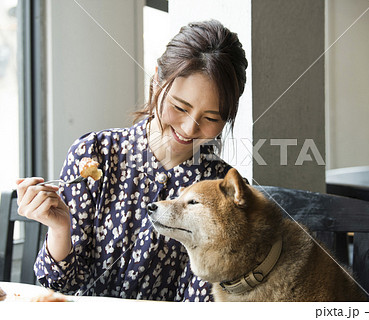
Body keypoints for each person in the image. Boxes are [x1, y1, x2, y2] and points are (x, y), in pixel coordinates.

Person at [16, 20, 247, 301]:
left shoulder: (223, 193)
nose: (189, 128)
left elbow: (200, 305)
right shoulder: (96, 153)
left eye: (211, 118)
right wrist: (59, 227)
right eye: (179, 107)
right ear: (156, 80)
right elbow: (59, 284)